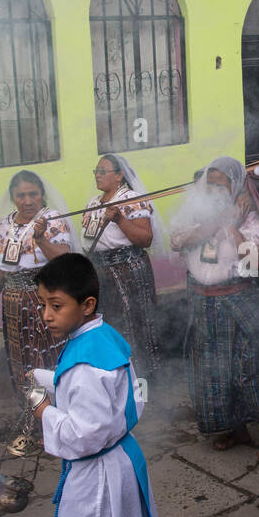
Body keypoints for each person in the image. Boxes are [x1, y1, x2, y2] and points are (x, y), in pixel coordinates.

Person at [27, 253, 177, 517]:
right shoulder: (105, 340)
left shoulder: (87, 361)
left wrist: (42, 410)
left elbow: (82, 434)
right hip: (123, 462)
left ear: (86, 305)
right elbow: (121, 399)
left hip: (96, 475)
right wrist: (48, 379)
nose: (46, 315)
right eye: (42, 304)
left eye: (56, 305)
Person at [171, 157, 259, 462]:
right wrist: (213, 223)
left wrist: (232, 227)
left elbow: (255, 261)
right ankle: (235, 427)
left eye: (221, 183)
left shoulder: (251, 216)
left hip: (240, 300)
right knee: (212, 372)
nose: (214, 189)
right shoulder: (195, 212)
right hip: (204, 302)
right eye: (210, 183)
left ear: (236, 185)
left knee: (251, 369)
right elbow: (177, 241)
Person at [0, 170, 72, 457]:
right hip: (14, 303)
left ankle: (57, 422)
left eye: (33, 194)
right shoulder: (5, 225)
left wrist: (41, 239)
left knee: (47, 359)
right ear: (13, 197)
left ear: (42, 194)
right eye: (21, 195)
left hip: (44, 300)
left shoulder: (51, 221)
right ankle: (32, 422)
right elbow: (0, 266)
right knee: (21, 361)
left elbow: (65, 259)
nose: (27, 200)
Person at [80, 154, 163, 378]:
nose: (97, 175)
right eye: (96, 171)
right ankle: (115, 372)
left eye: (103, 171)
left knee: (133, 321)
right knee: (110, 322)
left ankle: (141, 374)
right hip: (101, 271)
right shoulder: (94, 203)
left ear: (119, 175)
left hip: (128, 270)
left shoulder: (132, 199)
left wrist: (120, 220)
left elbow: (145, 239)